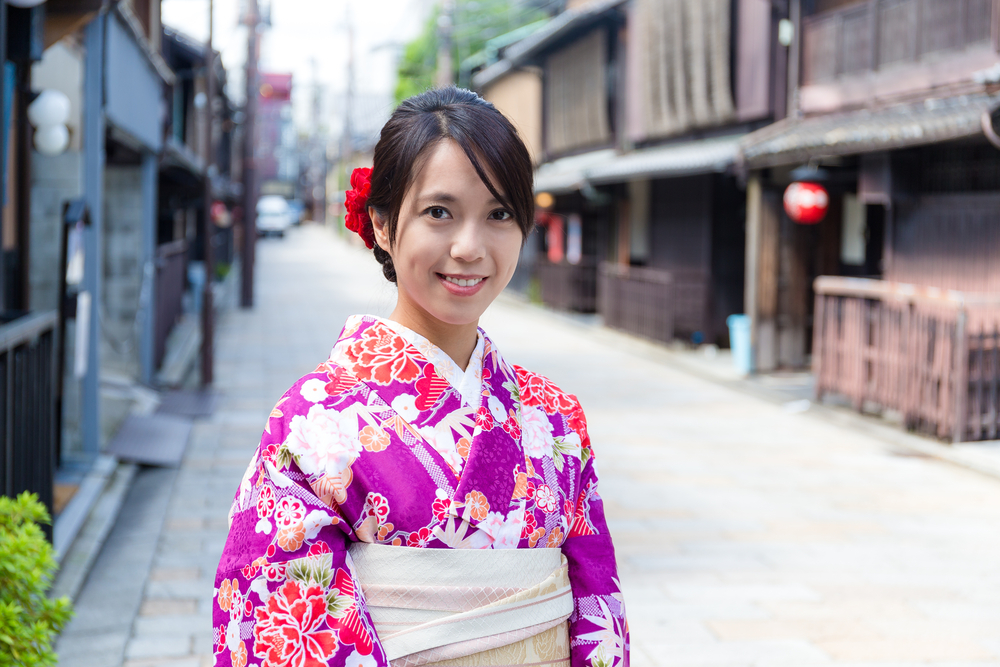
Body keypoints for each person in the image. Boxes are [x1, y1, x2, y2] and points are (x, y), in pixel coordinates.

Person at [213, 87, 629, 667]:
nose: (469, 247)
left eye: (499, 214)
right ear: (382, 225)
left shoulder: (555, 416)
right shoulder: (313, 422)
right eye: (440, 212)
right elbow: (280, 624)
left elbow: (596, 609)